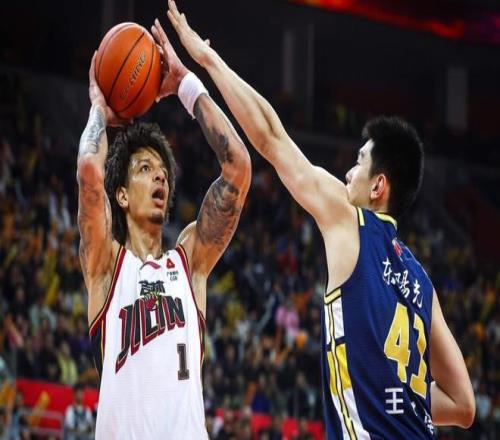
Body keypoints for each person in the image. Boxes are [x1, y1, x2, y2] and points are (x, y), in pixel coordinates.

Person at [164, 1, 476, 437]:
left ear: (378, 186)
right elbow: (463, 405)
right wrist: (400, 393)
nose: (347, 173)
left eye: (358, 163)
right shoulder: (423, 284)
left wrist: (204, 61)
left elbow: (270, 138)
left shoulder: (351, 219)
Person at [77, 16, 251, 438]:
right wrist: (99, 108)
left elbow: (238, 167)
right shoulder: (106, 267)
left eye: (162, 171)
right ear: (121, 195)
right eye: (144, 168)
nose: (159, 175)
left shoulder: (189, 262)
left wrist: (185, 85)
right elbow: (89, 171)